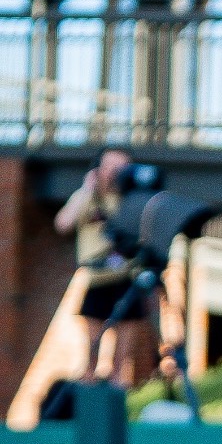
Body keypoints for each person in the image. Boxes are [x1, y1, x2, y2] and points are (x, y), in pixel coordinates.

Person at [54, 148, 156, 387]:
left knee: (121, 363)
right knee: (90, 359)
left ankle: (116, 412)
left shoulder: (133, 200)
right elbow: (62, 224)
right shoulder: (87, 197)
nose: (115, 172)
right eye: (110, 166)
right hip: (97, 280)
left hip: (127, 280)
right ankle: (87, 412)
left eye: (122, 167)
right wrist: (87, 188)